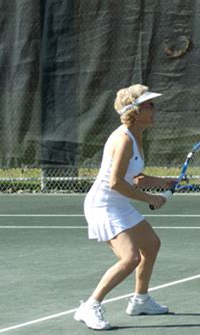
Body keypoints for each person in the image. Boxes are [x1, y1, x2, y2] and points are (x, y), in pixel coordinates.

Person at [74, 84, 176, 330]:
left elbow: (134, 178)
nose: (154, 109)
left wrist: (164, 182)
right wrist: (152, 199)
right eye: (149, 105)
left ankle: (140, 300)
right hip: (103, 205)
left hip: (118, 203)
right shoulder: (123, 139)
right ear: (135, 111)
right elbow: (116, 183)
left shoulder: (136, 135)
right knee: (129, 258)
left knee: (151, 245)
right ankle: (90, 306)